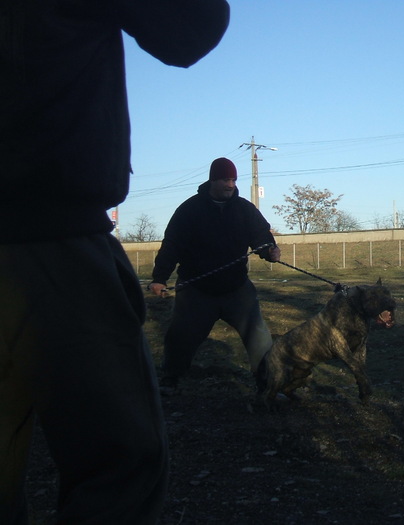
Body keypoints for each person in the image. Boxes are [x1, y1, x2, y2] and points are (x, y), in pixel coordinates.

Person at [0, 1, 229, 523]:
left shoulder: (237, 211)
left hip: (45, 229)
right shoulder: (190, 211)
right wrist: (160, 276)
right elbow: (189, 28)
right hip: (49, 237)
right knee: (120, 464)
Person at [148, 158, 280, 395]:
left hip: (236, 288)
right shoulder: (189, 210)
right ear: (213, 180)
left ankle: (267, 384)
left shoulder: (244, 209)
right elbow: (171, 246)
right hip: (196, 290)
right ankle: (170, 380)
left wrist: (269, 250)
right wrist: (159, 278)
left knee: (259, 338)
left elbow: (261, 234)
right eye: (225, 179)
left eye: (233, 180)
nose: (230, 185)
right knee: (180, 336)